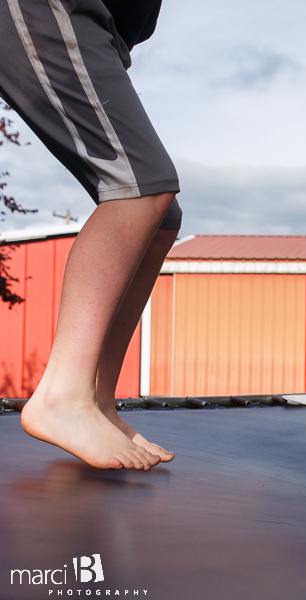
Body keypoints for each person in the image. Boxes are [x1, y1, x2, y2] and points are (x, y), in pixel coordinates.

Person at [0, 0, 182, 469]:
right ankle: (62, 398)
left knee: (161, 217)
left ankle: (97, 402)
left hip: (105, 28)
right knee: (140, 186)